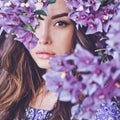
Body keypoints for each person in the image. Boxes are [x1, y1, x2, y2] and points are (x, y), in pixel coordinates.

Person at [0, 0, 95, 119]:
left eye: (60, 23)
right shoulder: (10, 88)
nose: (43, 38)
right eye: (34, 23)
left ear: (80, 29)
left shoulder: (95, 102)